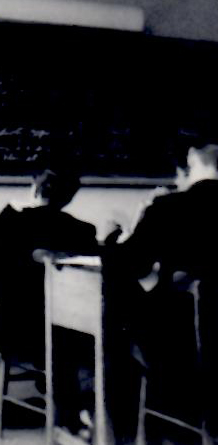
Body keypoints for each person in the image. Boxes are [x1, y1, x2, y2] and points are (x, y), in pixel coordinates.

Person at [104, 143, 218, 440]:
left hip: (183, 341)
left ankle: (124, 433)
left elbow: (128, 264)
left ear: (192, 158)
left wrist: (116, 237)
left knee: (116, 325)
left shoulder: (169, 207)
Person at [0, 168, 98, 433]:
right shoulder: (82, 230)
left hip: (13, 331)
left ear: (34, 187)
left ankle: (63, 402)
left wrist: (13, 208)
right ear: (69, 198)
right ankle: (83, 408)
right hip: (67, 332)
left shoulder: (6, 225)